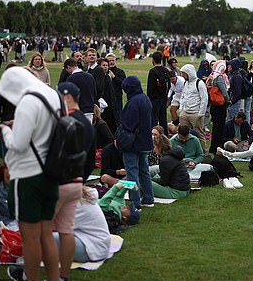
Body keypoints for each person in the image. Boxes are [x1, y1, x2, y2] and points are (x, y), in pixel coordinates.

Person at [0, 67, 63, 281]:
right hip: (50, 172)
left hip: (28, 175)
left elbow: (19, 144)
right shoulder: (53, 95)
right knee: (46, 233)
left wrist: (5, 131)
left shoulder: (27, 102)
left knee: (30, 237)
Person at [53, 81, 96, 281]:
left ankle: (29, 273)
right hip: (76, 181)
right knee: (66, 230)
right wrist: (81, 178)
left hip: (58, 180)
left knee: (39, 229)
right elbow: (90, 160)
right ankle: (64, 277)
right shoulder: (88, 123)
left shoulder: (65, 120)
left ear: (67, 97)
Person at [116, 76, 155, 209]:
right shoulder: (145, 98)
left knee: (131, 172)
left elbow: (127, 124)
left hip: (132, 143)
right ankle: (149, 199)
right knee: (144, 171)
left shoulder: (133, 102)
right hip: (145, 141)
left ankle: (135, 202)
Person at [52, 186, 111, 263]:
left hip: (92, 249)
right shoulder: (79, 196)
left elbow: (52, 226)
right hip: (95, 244)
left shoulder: (75, 204)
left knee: (42, 238)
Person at [178, 64, 209, 153]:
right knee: (184, 133)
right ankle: (186, 151)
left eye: (184, 74)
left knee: (199, 134)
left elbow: (204, 98)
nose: (183, 76)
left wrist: (201, 113)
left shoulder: (199, 83)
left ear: (189, 73)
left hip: (196, 113)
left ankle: (203, 152)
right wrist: (181, 109)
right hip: (185, 112)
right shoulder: (185, 83)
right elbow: (183, 96)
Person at [207, 60, 230, 155]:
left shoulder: (211, 76)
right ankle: (216, 147)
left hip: (214, 104)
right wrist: (228, 101)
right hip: (220, 105)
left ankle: (213, 147)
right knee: (219, 128)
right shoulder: (219, 77)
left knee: (216, 127)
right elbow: (224, 92)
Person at [147, 51, 170, 129]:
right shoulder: (166, 70)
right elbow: (169, 85)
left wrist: (149, 98)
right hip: (164, 97)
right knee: (163, 119)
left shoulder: (153, 71)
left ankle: (153, 136)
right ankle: (165, 136)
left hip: (154, 98)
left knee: (153, 119)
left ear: (153, 60)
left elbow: (150, 87)